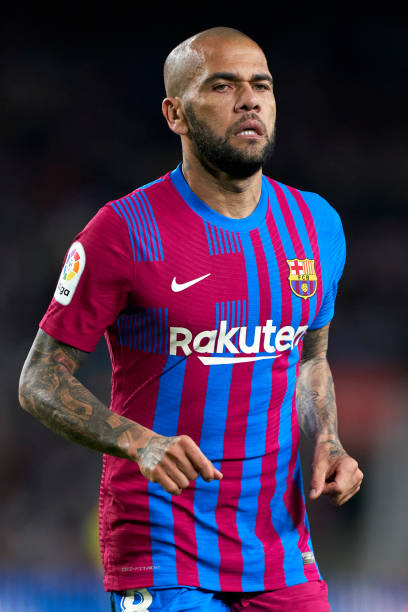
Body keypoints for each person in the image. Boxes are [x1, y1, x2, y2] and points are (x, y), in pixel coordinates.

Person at [18, 26, 363, 612]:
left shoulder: (317, 226)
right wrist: (139, 443)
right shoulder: (123, 231)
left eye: (261, 85)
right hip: (161, 546)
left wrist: (328, 439)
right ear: (175, 113)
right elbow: (38, 381)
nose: (249, 100)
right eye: (223, 86)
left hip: (277, 547)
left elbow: (311, 357)